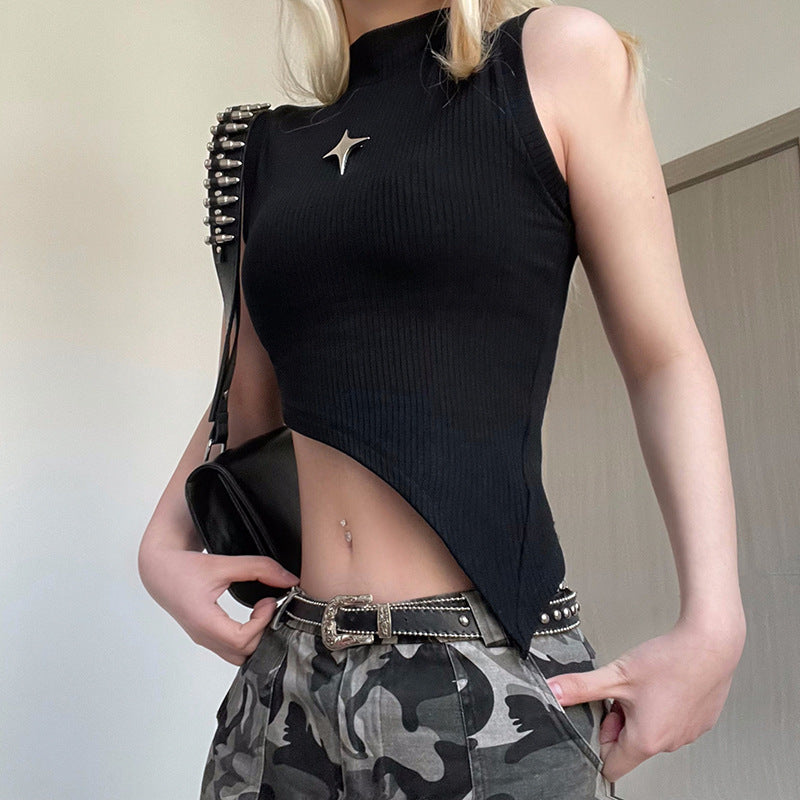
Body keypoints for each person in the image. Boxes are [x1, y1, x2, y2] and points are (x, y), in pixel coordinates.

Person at [138, 2, 747, 798]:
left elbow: (663, 358)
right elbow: (250, 401)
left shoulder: (554, 58)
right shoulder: (271, 147)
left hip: (483, 673)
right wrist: (162, 545)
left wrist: (714, 621)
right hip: (286, 683)